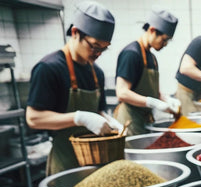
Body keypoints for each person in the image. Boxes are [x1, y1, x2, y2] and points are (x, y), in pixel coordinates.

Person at [26, 1, 119, 176]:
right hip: (66, 162)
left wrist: (109, 121)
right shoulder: (49, 68)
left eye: (103, 49)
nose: (98, 54)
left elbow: (98, 111)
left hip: (96, 162)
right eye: (95, 46)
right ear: (75, 33)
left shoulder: (96, 72)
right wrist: (80, 118)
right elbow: (33, 118)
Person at [114, 8, 180, 136]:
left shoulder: (152, 58)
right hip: (129, 120)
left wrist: (167, 100)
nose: (165, 44)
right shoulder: (131, 54)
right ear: (152, 30)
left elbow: (153, 91)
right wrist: (152, 102)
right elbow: (121, 93)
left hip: (145, 119)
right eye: (164, 39)